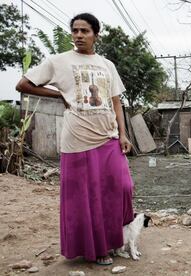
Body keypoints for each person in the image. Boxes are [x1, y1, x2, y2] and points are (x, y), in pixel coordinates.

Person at [15, 13, 134, 265]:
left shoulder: (107, 65)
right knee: (88, 196)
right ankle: (98, 249)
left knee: (123, 187)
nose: (79, 35)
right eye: (75, 31)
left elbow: (115, 102)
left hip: (108, 136)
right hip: (77, 138)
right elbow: (23, 84)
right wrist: (58, 95)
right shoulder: (59, 61)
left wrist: (123, 134)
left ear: (95, 35)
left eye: (85, 31)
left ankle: (112, 238)